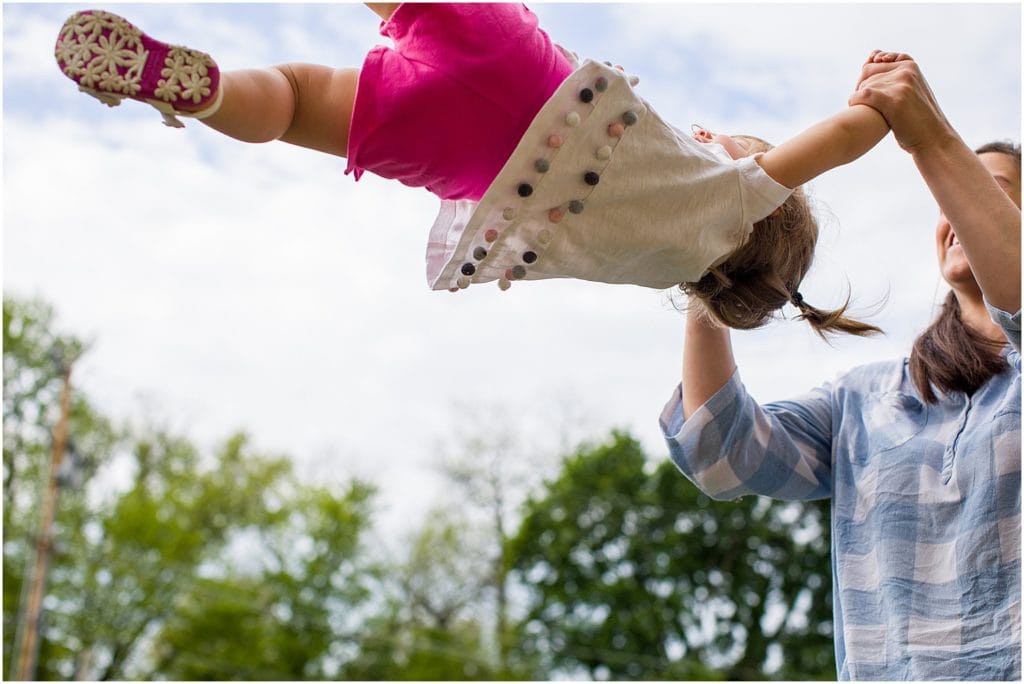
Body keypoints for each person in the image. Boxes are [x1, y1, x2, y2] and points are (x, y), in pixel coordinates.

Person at [55, 4, 889, 336]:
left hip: (527, 76)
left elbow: (845, 140)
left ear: (767, 203)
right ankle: (207, 95)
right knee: (296, 100)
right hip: (474, 166)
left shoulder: (737, 198)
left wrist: (880, 102)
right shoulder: (668, 263)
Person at [660, 49, 1021, 680]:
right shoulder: (866, 400)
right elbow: (719, 454)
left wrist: (932, 137)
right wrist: (708, 264)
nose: (956, 216)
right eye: (952, 200)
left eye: (995, 195)